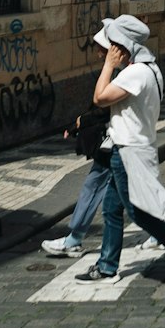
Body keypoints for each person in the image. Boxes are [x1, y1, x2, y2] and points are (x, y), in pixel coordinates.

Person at [76, 14, 165, 287]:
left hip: (130, 152)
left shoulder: (136, 74)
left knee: (139, 213)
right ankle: (107, 266)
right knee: (111, 209)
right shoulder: (149, 68)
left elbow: (99, 98)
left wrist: (110, 67)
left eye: (111, 47)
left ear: (122, 46)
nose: (106, 53)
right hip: (126, 149)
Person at [41, 28, 120, 259]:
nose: (97, 53)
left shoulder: (119, 73)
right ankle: (160, 234)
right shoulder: (127, 70)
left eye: (100, 49)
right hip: (126, 141)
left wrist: (80, 121)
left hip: (119, 141)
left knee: (95, 186)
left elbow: (102, 105)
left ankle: (74, 240)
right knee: (129, 192)